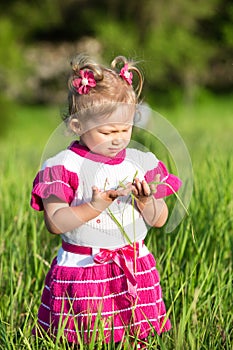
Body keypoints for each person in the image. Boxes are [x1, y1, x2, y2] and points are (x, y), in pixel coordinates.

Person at [31, 54, 182, 348]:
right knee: (85, 337)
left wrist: (145, 201)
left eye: (125, 130)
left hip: (133, 267)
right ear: (77, 125)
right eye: (107, 131)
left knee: (137, 336)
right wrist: (94, 206)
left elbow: (159, 219)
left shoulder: (140, 162)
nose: (118, 139)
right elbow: (55, 222)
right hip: (84, 268)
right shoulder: (63, 166)